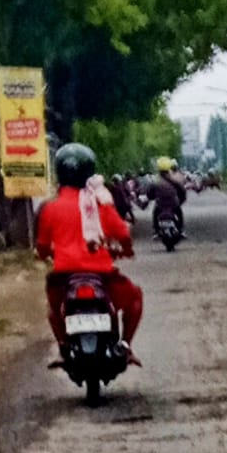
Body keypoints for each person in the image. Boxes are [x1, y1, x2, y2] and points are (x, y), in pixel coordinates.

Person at [35, 144, 144, 364]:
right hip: (102, 275)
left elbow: (43, 246)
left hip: (64, 277)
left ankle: (64, 348)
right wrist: (126, 250)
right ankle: (124, 345)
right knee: (134, 298)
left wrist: (47, 254)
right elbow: (122, 233)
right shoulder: (98, 203)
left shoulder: (50, 208)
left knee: (54, 310)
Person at [150, 156, 187, 235]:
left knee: (155, 214)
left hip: (160, 205)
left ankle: (156, 230)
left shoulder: (156, 182)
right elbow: (182, 192)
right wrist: (180, 201)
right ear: (169, 170)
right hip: (173, 204)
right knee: (180, 214)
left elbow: (150, 194)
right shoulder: (174, 182)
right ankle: (181, 229)